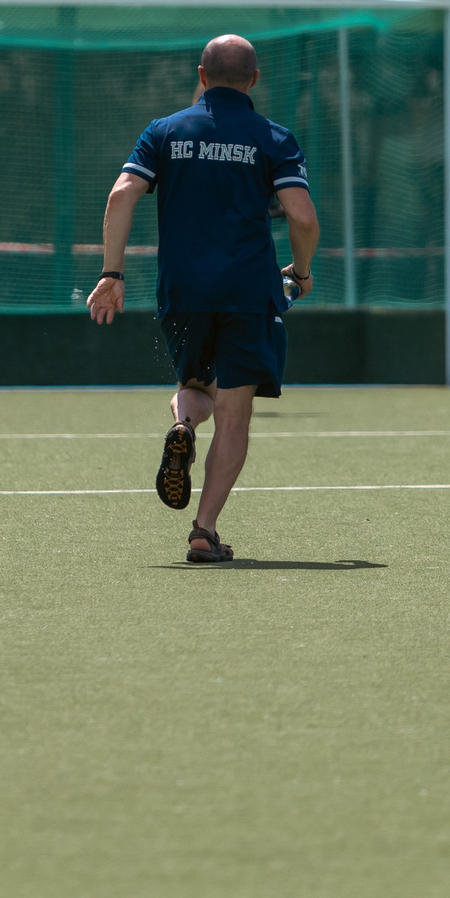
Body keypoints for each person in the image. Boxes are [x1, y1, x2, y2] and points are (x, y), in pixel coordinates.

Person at [88, 35, 319, 564]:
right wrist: (301, 272)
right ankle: (204, 530)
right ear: (254, 80)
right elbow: (302, 218)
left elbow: (122, 193)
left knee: (195, 387)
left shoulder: (164, 132)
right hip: (247, 292)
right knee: (235, 415)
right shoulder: (274, 138)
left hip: (183, 291)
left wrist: (112, 273)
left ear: (202, 74)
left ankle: (183, 426)